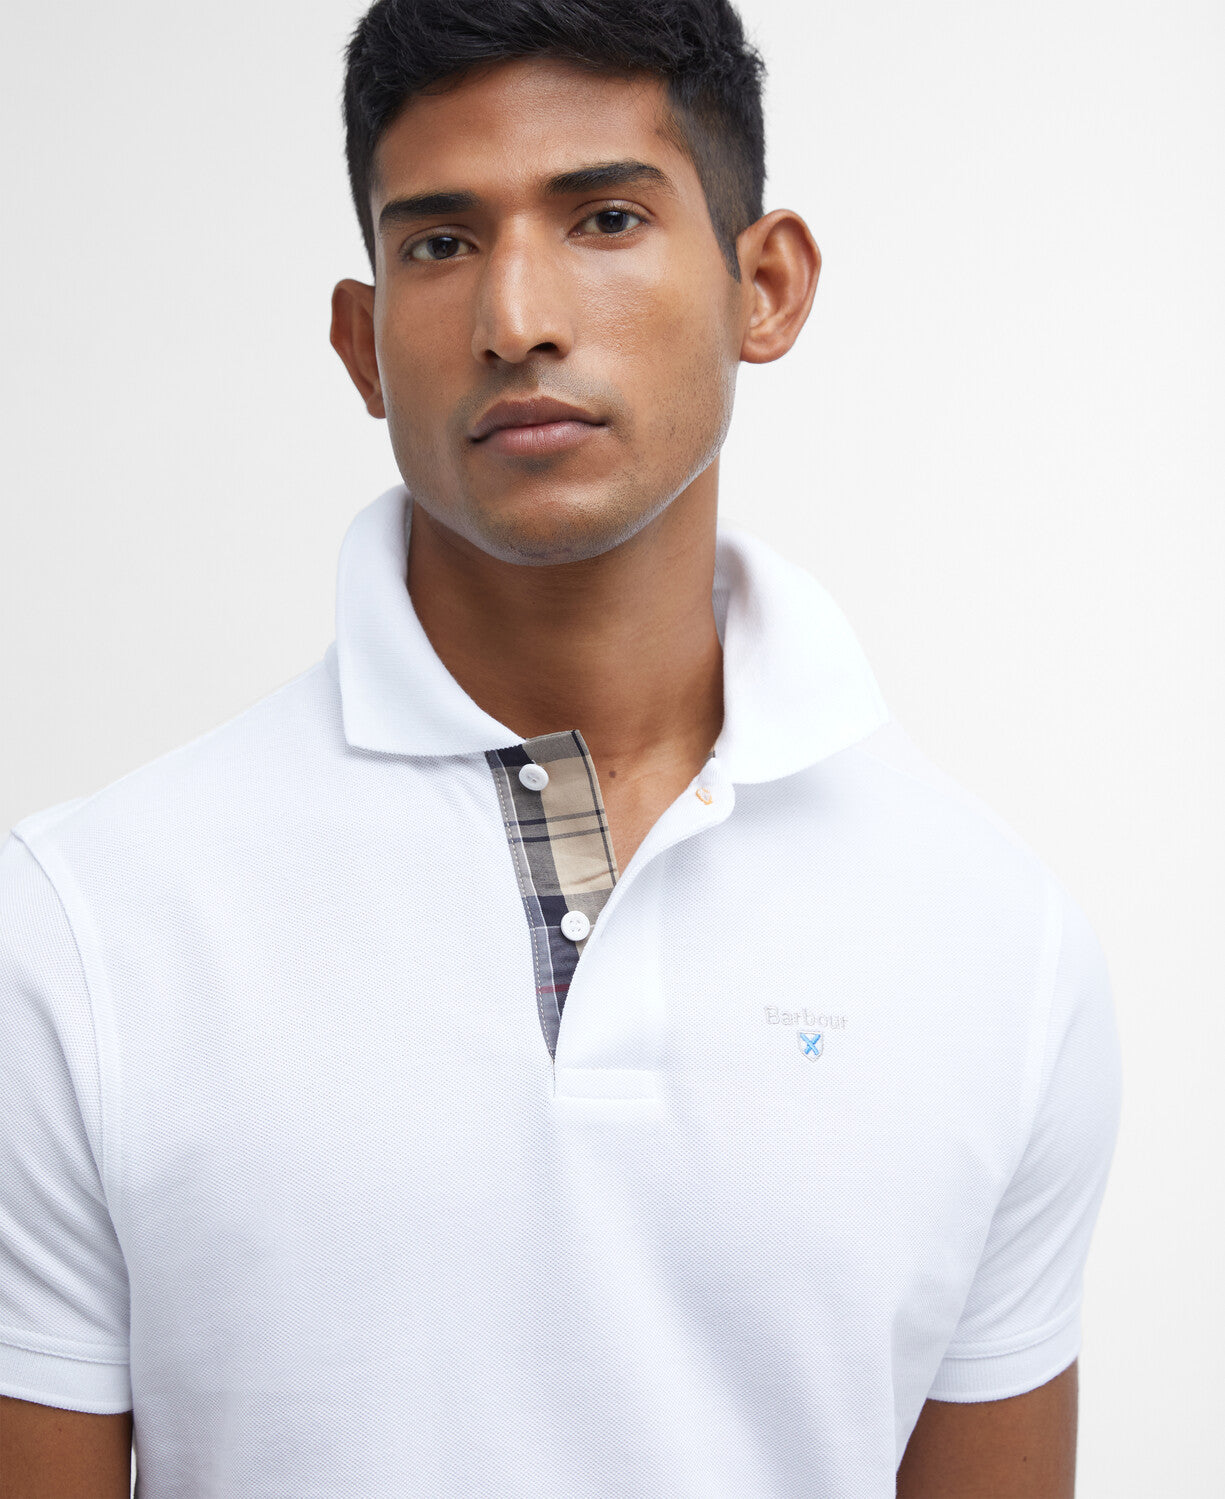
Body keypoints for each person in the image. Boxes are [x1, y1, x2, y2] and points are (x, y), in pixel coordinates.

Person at [0, 1, 1121, 1495]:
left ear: (765, 286)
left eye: (604, 217)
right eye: (440, 242)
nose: (515, 315)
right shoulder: (81, 930)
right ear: (361, 344)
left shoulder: (999, 946)